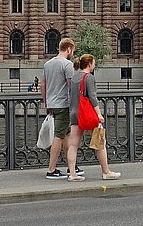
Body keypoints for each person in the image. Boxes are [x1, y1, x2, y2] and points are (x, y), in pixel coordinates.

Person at [66, 54, 120, 182]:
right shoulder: (89, 77)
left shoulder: (74, 78)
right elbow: (92, 97)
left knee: (73, 145)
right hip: (87, 114)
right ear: (89, 63)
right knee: (100, 142)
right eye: (94, 63)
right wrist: (99, 114)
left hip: (74, 113)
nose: (94, 65)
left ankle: (72, 174)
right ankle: (106, 171)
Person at [41, 37, 83, 180]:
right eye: (73, 50)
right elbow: (72, 85)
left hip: (52, 104)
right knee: (59, 137)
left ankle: (71, 166)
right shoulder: (67, 64)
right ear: (69, 49)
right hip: (63, 105)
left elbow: (43, 85)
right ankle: (51, 169)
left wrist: (46, 103)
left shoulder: (48, 64)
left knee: (65, 135)